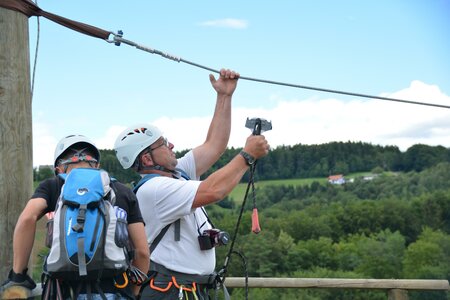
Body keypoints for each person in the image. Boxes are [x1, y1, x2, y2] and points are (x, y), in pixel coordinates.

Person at [113, 69, 270, 299]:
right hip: (170, 291)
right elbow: (214, 190)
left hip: (187, 289)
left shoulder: (177, 173)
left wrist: (224, 96)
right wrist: (247, 156)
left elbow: (214, 144)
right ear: (147, 159)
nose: (172, 145)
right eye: (163, 144)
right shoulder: (154, 190)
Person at [0, 135, 149, 299]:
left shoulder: (53, 185)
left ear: (58, 168)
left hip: (65, 291)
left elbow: (28, 218)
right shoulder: (121, 190)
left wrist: (18, 276)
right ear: (97, 165)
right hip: (115, 288)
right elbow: (142, 252)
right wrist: (134, 292)